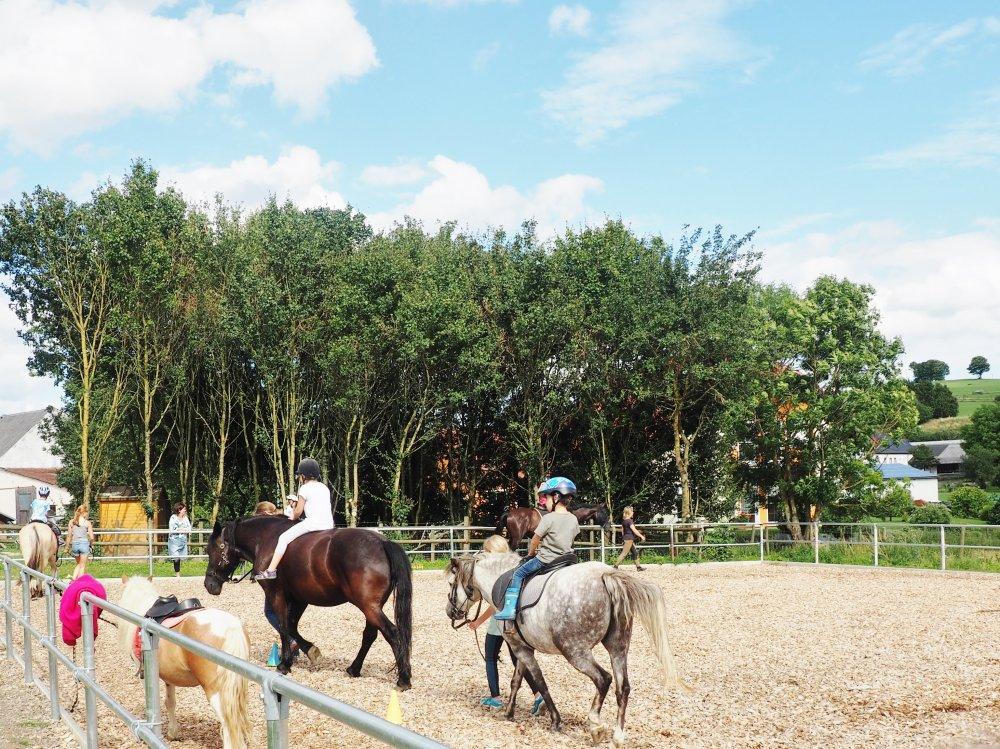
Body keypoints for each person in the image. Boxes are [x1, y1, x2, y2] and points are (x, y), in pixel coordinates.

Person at [470, 535, 545, 713]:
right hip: (515, 622)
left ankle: (495, 698)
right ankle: (538, 695)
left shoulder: (495, 571)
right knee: (518, 659)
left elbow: (494, 604)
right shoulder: (515, 566)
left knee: (490, 657)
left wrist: (478, 621)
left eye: (487, 551)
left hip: (499, 622)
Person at [494, 476, 580, 621]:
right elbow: (572, 538)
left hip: (546, 560)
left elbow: (535, 540)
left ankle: (509, 609)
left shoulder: (548, 518)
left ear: (556, 497)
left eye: (546, 497)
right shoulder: (573, 519)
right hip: (566, 559)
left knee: (518, 574)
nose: (544, 501)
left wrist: (531, 553)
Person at [255, 457, 334, 580]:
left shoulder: (304, 488)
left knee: (283, 538)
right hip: (329, 524)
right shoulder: (324, 487)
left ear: (303, 475)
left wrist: (292, 516)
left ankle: (271, 570)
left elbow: (298, 511)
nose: (299, 478)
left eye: (299, 476)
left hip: (313, 524)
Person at [254, 501, 300, 659]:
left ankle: (293, 640)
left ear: (264, 514)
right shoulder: (284, 520)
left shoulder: (271, 528)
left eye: (258, 516)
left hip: (279, 577)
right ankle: (295, 644)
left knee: (270, 611)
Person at [66, 505, 95, 580]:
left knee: (78, 564)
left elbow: (69, 536)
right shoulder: (87, 523)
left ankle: (73, 580)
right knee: (82, 567)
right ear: (84, 513)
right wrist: (91, 545)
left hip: (75, 544)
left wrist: (66, 547)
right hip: (84, 545)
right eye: (86, 513)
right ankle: (79, 584)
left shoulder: (71, 522)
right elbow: (92, 537)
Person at [613, 506, 646, 571]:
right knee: (624, 554)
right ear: (629, 513)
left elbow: (623, 531)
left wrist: (623, 538)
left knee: (635, 553)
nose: (633, 513)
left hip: (627, 538)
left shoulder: (624, 521)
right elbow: (634, 530)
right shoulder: (630, 521)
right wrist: (641, 536)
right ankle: (615, 567)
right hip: (629, 539)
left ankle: (638, 567)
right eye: (632, 511)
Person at [167, 503, 192, 577]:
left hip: (183, 541)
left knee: (182, 557)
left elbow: (189, 529)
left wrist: (182, 529)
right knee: (176, 557)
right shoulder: (173, 518)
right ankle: (177, 573)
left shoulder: (186, 518)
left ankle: (177, 572)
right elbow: (172, 529)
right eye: (184, 509)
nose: (185, 510)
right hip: (174, 541)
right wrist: (182, 529)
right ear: (179, 510)